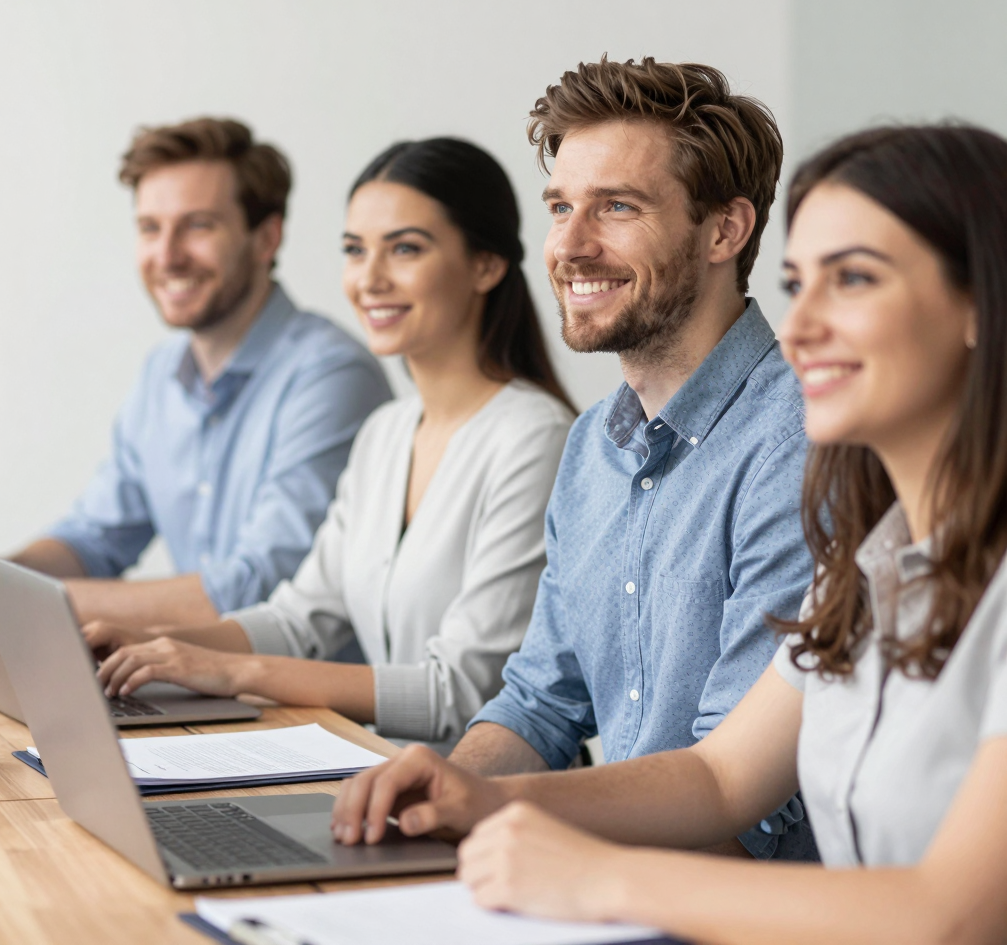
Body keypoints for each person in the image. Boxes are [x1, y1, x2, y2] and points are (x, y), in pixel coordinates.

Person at [336, 123, 1007, 944]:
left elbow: (949, 917)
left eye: (856, 280)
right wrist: (479, 797)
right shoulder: (869, 565)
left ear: (982, 303)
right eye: (800, 285)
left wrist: (596, 877)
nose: (798, 329)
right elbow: (722, 777)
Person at [333, 58, 816, 857]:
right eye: (561, 206)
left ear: (725, 230)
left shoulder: (798, 444)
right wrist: (439, 799)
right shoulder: (595, 444)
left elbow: (738, 799)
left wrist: (492, 815)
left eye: (617, 207)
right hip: (606, 879)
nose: (568, 246)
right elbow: (540, 705)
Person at [84, 137, 576, 745]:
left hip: (499, 803)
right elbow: (298, 619)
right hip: (382, 780)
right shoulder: (386, 434)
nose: (368, 279)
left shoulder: (535, 439)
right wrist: (158, 646)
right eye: (354, 250)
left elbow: (464, 690)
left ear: (486, 264)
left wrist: (230, 671)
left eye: (404, 249)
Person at [10, 117, 391, 628]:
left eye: (197, 225)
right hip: (201, 690)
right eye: (150, 228)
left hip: (308, 701)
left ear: (266, 238)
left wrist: (28, 606)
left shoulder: (332, 376)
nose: (166, 256)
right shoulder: (161, 374)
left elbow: (257, 585)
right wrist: (2, 581)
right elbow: (94, 537)